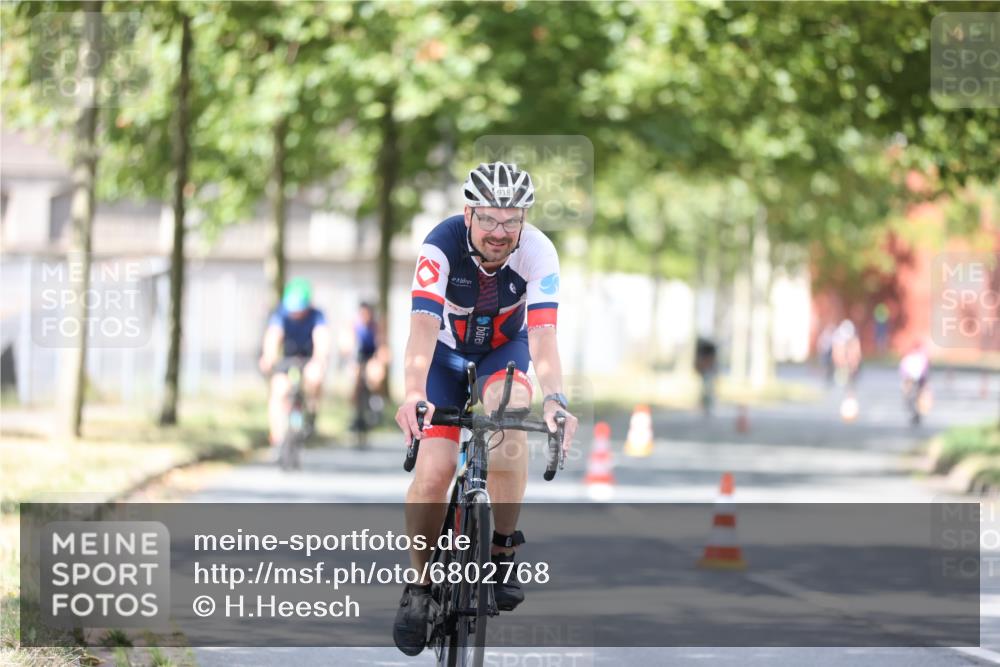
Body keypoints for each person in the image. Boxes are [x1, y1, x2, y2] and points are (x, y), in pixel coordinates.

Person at [392, 161, 579, 656]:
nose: (500, 232)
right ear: (469, 212)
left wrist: (556, 398)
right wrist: (414, 392)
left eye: (512, 221)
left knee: (512, 414)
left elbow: (542, 336)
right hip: (443, 358)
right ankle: (420, 584)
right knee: (433, 471)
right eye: (491, 219)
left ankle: (500, 551)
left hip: (504, 352)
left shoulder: (538, 251)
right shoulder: (440, 244)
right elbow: (421, 332)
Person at [258, 278, 331, 451]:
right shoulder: (280, 314)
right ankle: (276, 436)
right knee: (278, 389)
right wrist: (268, 357)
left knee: (315, 378)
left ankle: (311, 413)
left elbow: (321, 338)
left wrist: (319, 360)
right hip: (287, 359)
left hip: (308, 359)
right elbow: (273, 336)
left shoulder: (316, 316)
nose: (296, 314)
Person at [351, 301, 386, 447]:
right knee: (354, 379)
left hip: (372, 357)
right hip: (358, 359)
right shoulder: (354, 326)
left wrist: (380, 360)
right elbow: (347, 344)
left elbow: (382, 346)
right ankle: (355, 413)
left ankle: (376, 402)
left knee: (375, 374)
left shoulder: (376, 327)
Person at [899, 342, 931, 426]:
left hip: (916, 380)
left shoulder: (920, 358)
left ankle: (916, 413)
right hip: (912, 380)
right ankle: (915, 413)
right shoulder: (911, 358)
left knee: (913, 398)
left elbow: (925, 371)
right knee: (910, 398)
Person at [694, 337, 718, 416]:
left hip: (709, 371)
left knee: (709, 390)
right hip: (705, 371)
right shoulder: (703, 350)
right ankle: (704, 405)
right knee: (705, 389)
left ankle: (708, 406)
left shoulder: (710, 350)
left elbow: (713, 361)